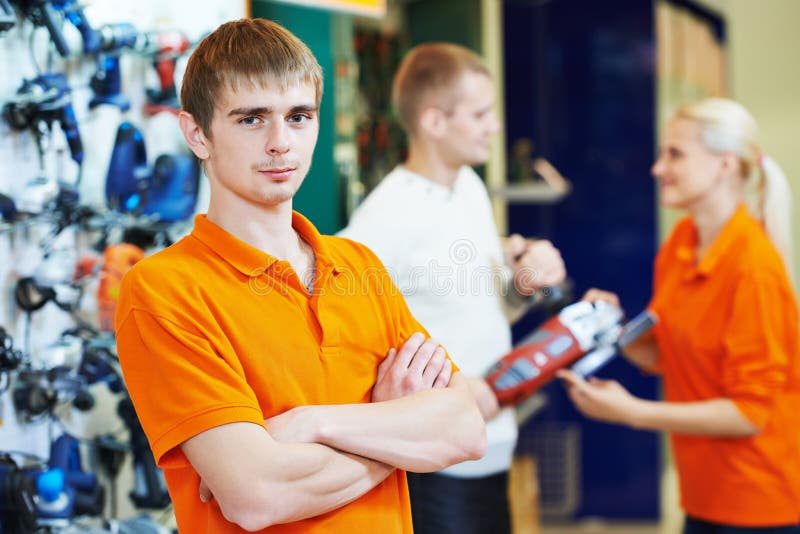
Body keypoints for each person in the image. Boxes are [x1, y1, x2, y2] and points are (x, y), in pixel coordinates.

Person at [114, 19, 487, 534]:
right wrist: (395, 430)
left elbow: (465, 430)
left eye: (299, 116)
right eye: (251, 119)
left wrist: (317, 423)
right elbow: (257, 495)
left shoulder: (359, 265)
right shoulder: (163, 290)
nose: (280, 143)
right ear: (198, 134)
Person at [339, 43, 566, 534]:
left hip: (490, 446)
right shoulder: (384, 218)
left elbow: (489, 308)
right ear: (434, 122)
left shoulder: (470, 188)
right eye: (481, 114)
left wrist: (523, 280)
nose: (495, 126)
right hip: (436, 466)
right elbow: (340, 336)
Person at [558, 98, 800, 533]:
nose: (656, 168)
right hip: (703, 493)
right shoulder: (682, 243)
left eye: (675, 154)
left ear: (725, 164)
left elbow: (749, 414)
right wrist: (611, 327)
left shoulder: (754, 269)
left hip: (760, 501)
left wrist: (634, 413)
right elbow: (662, 357)